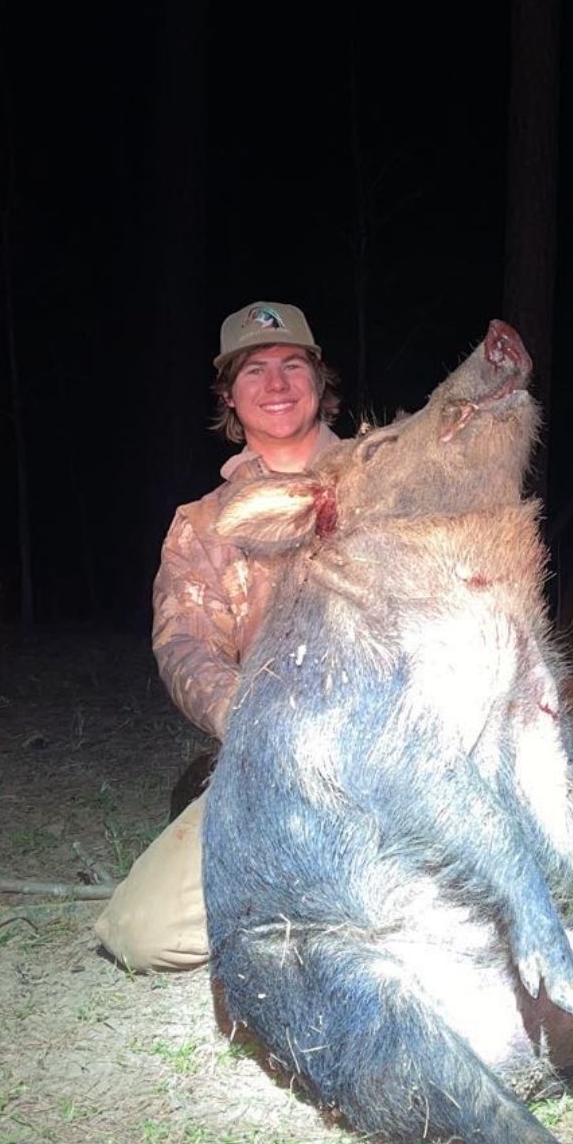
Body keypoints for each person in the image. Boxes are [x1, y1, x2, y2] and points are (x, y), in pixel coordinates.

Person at [95, 301, 343, 970]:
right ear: (229, 397)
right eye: (254, 370)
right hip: (278, 758)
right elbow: (185, 648)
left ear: (321, 381)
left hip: (399, 749)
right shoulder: (203, 525)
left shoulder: (387, 482)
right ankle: (301, 896)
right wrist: (246, 714)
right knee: (140, 933)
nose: (277, 382)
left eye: (294, 365)